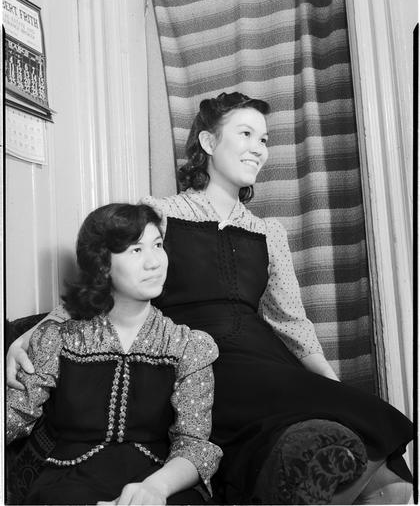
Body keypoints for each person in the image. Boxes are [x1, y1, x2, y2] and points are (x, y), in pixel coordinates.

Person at [7, 93, 413, 504]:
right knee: (360, 421)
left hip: (266, 358)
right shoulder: (160, 213)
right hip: (209, 361)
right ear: (208, 142)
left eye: (264, 139)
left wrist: (328, 381)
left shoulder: (269, 232)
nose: (258, 148)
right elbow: (101, 280)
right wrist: (29, 337)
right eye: (246, 134)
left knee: (384, 464)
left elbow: (291, 321)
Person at [6, 203, 222, 505]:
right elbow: (14, 415)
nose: (154, 262)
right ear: (102, 264)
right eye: (136, 250)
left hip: (160, 482)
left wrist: (155, 489)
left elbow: (194, 445)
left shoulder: (189, 346)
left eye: (157, 246)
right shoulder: (58, 339)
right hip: (66, 484)